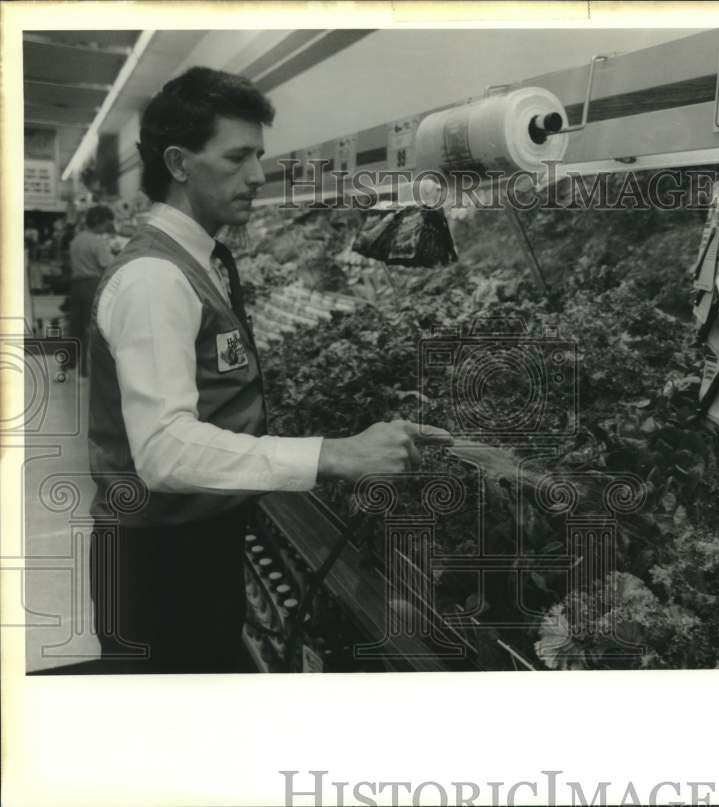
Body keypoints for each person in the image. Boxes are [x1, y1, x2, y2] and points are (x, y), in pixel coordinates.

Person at [87, 66, 451, 674]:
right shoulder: (153, 279)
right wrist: (333, 454)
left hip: (195, 541)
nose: (258, 175)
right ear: (178, 163)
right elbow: (165, 453)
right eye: (238, 158)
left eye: (259, 155)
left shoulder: (198, 258)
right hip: (158, 562)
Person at [67, 205, 115, 374]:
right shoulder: (97, 241)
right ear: (98, 222)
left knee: (75, 325)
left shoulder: (76, 239)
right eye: (106, 224)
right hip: (92, 285)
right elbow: (107, 264)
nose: (106, 228)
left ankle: (69, 363)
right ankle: (85, 369)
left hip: (76, 285)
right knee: (91, 327)